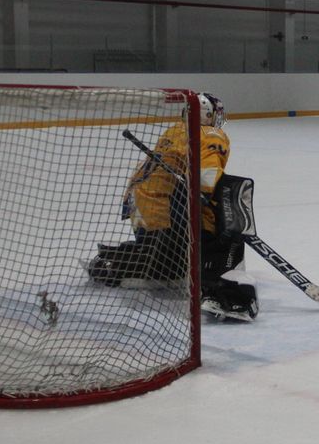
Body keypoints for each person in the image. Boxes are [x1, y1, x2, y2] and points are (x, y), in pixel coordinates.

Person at [87, 93, 259, 321]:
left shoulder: (175, 131)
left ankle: (114, 263)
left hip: (141, 207)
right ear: (207, 115)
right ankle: (218, 289)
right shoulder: (210, 134)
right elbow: (206, 178)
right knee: (220, 232)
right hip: (165, 209)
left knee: (169, 268)